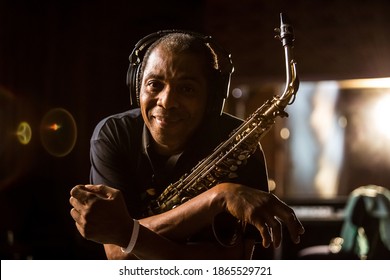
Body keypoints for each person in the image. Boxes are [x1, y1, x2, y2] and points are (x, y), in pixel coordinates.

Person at [69, 30, 304, 260]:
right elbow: (117, 254)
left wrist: (130, 235)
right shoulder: (113, 134)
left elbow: (231, 264)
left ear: (210, 99)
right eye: (154, 84)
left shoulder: (242, 142)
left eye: (187, 88)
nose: (167, 101)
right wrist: (219, 197)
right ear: (136, 86)